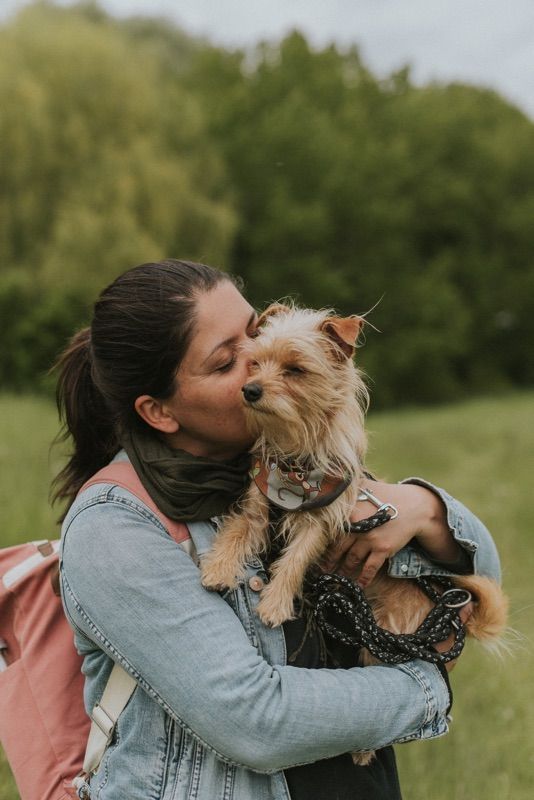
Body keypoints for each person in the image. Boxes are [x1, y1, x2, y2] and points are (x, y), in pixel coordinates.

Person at [55, 259, 501, 800]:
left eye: (253, 333)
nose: (255, 366)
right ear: (160, 412)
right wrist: (425, 689)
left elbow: (479, 586)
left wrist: (425, 509)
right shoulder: (117, 527)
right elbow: (253, 720)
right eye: (225, 363)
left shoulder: (295, 463)